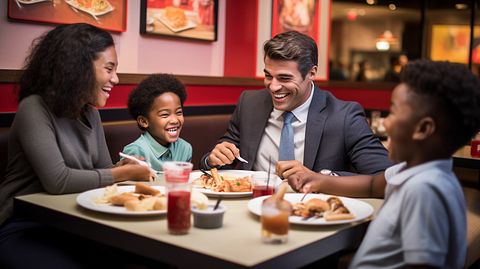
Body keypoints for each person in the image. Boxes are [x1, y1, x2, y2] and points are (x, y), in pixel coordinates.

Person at [295, 60, 480, 268]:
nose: (385, 123)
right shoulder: (415, 171)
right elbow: (373, 184)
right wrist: (318, 179)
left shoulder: (424, 189)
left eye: (392, 112)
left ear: (423, 129)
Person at [0, 23, 154, 268]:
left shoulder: (91, 113)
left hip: (78, 223)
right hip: (26, 225)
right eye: (109, 69)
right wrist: (121, 173)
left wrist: (123, 168)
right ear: (79, 68)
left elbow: (104, 172)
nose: (116, 79)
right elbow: (58, 181)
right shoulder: (34, 108)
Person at [200, 31, 392, 186]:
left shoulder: (344, 117)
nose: (273, 87)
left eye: (284, 78)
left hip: (312, 216)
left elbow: (387, 176)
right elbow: (220, 155)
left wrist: (321, 178)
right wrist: (214, 159)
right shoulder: (250, 103)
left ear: (312, 73)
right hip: (250, 207)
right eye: (268, 76)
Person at [122, 73, 192, 171]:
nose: (175, 120)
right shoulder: (136, 151)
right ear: (144, 121)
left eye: (179, 112)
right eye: (165, 115)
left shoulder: (185, 148)